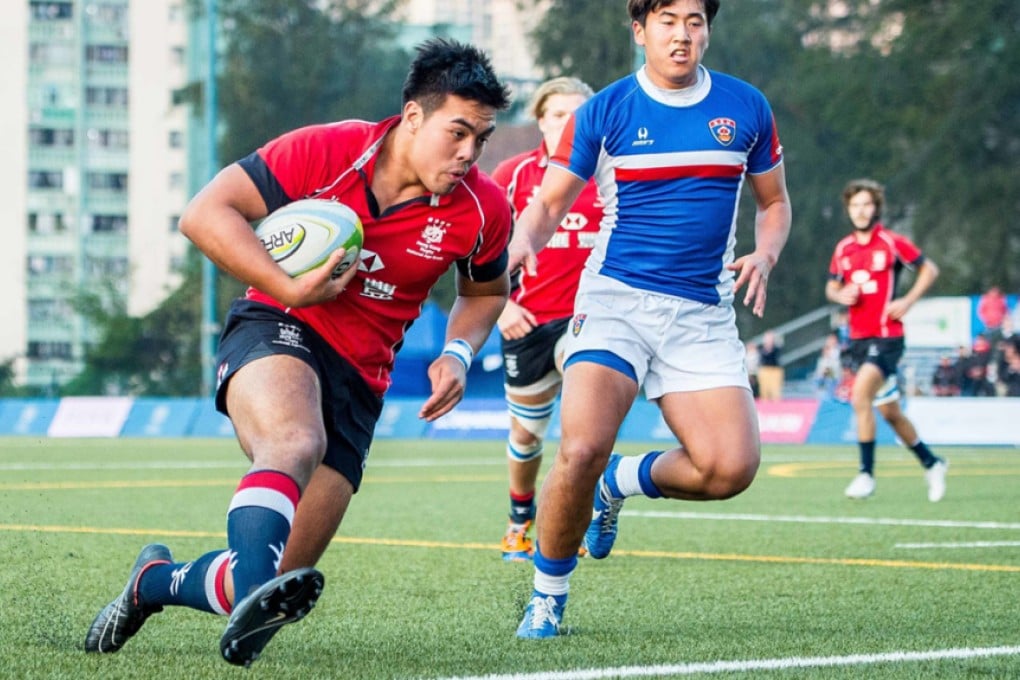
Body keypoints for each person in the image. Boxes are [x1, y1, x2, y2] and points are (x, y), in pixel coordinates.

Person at [83, 39, 512, 666]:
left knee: (276, 576)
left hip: (361, 380)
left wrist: (459, 351)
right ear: (413, 116)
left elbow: (486, 291)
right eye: (458, 132)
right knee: (294, 442)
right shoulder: (329, 149)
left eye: (482, 136)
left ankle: (154, 583)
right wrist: (290, 286)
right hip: (278, 325)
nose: (470, 152)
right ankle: (250, 590)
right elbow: (206, 213)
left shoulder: (482, 207)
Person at [507, 0, 792, 638]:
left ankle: (620, 483)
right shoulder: (605, 110)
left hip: (703, 314)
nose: (682, 34)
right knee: (579, 447)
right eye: (667, 21)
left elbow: (774, 203)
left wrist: (766, 254)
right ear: (639, 31)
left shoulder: (746, 107)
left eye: (694, 20)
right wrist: (525, 239)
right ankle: (548, 594)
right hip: (616, 305)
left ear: (708, 30)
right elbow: (550, 200)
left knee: (729, 469)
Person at [488, 77, 602, 562]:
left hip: (592, 323)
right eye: (559, 114)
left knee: (584, 432)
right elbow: (474, 245)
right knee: (527, 436)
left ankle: (570, 521)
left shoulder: (614, 175)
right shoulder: (513, 175)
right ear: (541, 120)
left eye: (579, 114)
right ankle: (520, 520)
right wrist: (501, 306)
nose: (568, 123)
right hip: (528, 323)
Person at [826, 178, 948, 503]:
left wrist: (907, 301)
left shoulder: (891, 243)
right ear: (849, 210)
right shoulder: (843, 249)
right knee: (891, 413)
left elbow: (929, 270)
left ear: (876, 208)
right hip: (858, 341)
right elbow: (831, 287)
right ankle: (932, 463)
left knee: (860, 396)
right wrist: (841, 294)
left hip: (887, 338)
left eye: (866, 204)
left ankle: (866, 474)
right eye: (855, 205)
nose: (861, 210)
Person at [757, 329, 784, 401]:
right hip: (765, 370)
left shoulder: (776, 348)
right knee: (764, 390)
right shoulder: (761, 348)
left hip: (775, 370)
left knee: (775, 390)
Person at [814, 332, 843, 399]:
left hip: (836, 372)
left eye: (833, 339)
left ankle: (823, 382)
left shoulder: (839, 349)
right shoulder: (826, 349)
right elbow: (825, 359)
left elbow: (837, 361)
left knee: (828, 369)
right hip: (828, 371)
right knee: (824, 365)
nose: (831, 341)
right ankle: (821, 382)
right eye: (830, 339)